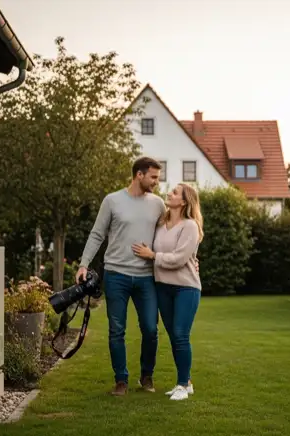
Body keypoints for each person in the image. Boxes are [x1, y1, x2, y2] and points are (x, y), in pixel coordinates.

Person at [76, 157, 166, 396]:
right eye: (154, 177)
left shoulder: (158, 204)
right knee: (116, 329)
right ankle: (121, 380)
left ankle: (147, 376)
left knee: (150, 328)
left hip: (146, 277)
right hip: (116, 275)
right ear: (139, 175)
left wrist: (188, 258)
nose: (157, 182)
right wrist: (83, 264)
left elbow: (169, 235)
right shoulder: (112, 201)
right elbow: (97, 234)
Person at [132, 183, 203, 401]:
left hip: (186, 287)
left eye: (174, 192)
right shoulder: (161, 224)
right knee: (174, 336)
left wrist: (152, 255)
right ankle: (187, 381)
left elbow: (180, 259)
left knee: (181, 334)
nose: (169, 194)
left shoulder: (190, 226)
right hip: (162, 286)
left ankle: (182, 385)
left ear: (183, 201)